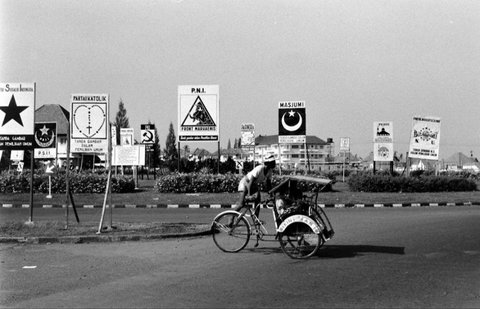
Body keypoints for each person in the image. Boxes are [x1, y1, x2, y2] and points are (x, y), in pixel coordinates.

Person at [233, 154, 276, 219]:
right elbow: (250, 182)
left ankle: (256, 219)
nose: (274, 164)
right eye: (272, 162)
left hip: (253, 185)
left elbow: (268, 184)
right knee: (241, 204)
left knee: (258, 202)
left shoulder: (270, 171)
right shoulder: (259, 168)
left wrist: (271, 195)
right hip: (245, 183)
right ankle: (230, 219)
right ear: (268, 163)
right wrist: (249, 195)